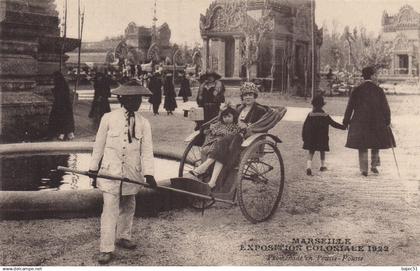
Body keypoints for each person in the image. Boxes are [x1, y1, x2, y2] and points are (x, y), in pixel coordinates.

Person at [88, 80, 157, 264]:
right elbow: (99, 146)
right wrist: (93, 169)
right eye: (132, 98)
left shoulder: (144, 123)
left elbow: (147, 151)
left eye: (139, 99)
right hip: (110, 172)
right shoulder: (108, 118)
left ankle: (123, 236)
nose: (136, 102)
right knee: (109, 209)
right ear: (122, 99)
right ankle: (106, 248)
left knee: (128, 205)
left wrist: (149, 174)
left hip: (132, 173)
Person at [190, 82, 268, 189]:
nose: (248, 97)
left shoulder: (260, 110)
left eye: (250, 94)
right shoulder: (239, 108)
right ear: (242, 97)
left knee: (224, 141)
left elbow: (260, 125)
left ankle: (203, 168)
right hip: (232, 137)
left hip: (247, 139)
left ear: (255, 96)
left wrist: (247, 126)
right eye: (245, 95)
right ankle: (212, 182)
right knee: (222, 144)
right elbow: (229, 119)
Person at [343, 66, 396, 176]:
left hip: (360, 121)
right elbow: (385, 107)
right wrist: (387, 120)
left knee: (362, 144)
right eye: (374, 74)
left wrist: (346, 121)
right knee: (375, 143)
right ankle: (374, 165)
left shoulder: (356, 90)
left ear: (363, 76)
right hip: (377, 121)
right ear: (371, 75)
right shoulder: (378, 90)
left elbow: (350, 107)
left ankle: (364, 169)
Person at [190, 106, 241, 188]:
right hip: (216, 144)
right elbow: (210, 130)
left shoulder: (235, 126)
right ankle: (211, 181)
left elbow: (233, 135)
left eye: (229, 117)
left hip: (227, 146)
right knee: (215, 151)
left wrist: (220, 132)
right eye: (224, 117)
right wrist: (212, 130)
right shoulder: (218, 124)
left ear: (234, 117)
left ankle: (203, 169)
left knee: (220, 148)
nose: (227, 119)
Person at [302, 95, 346, 176]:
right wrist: (343, 127)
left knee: (311, 151)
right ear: (322, 105)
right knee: (322, 150)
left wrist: (304, 137)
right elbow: (333, 124)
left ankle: (308, 167)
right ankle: (322, 166)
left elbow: (305, 126)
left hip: (312, 137)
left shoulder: (310, 115)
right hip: (322, 138)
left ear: (313, 104)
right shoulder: (325, 115)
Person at [48, 71, 75, 140]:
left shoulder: (60, 84)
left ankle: (62, 134)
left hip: (61, 105)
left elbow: (59, 95)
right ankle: (68, 134)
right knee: (66, 119)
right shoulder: (63, 83)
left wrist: (53, 91)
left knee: (60, 119)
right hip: (65, 105)